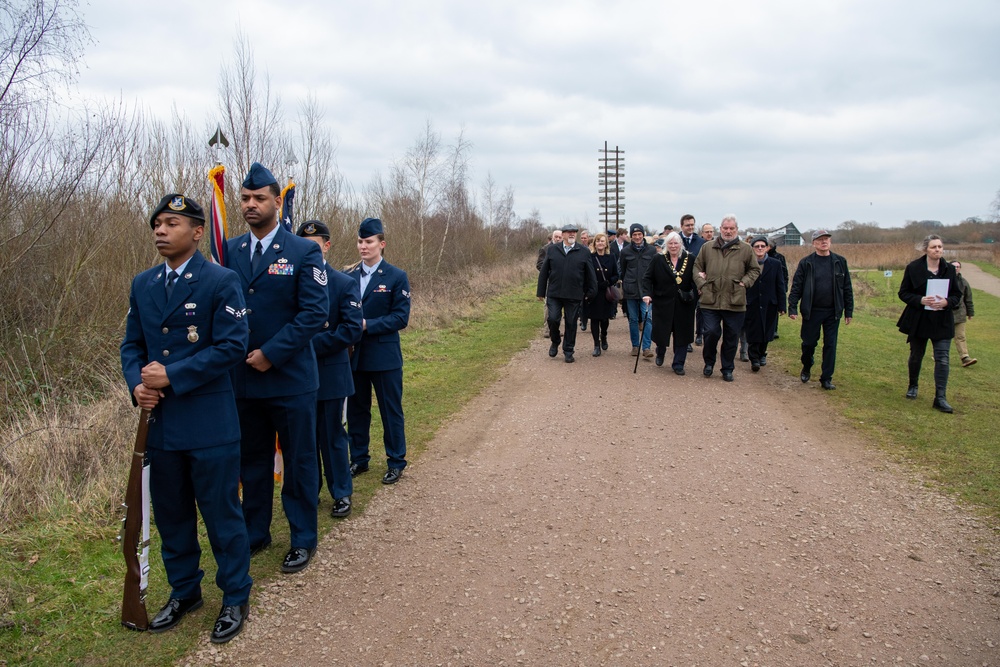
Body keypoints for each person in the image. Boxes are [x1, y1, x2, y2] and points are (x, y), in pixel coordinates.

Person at [121, 194, 252, 643]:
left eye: (171, 223)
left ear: (197, 232)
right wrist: (136, 385)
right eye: (156, 223)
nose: (160, 230)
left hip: (210, 423)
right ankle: (185, 592)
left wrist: (172, 375)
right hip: (162, 426)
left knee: (221, 513)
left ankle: (235, 595)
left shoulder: (221, 280)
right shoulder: (142, 283)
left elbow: (233, 346)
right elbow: (132, 346)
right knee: (172, 515)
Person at [228, 163, 329, 574]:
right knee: (251, 461)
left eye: (260, 198)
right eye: (246, 198)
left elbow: (314, 313)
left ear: (277, 201)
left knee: (299, 460)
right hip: (243, 381)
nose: (251, 205)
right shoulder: (230, 250)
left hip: (289, 380)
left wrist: (271, 352)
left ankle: (303, 537)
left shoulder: (303, 250)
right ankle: (256, 533)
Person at [297, 221, 364, 518]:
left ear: (326, 246)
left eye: (316, 243)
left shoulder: (342, 283)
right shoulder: (292, 283)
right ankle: (309, 492)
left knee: (332, 435)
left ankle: (341, 492)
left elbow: (351, 330)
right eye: (304, 244)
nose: (310, 248)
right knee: (304, 440)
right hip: (296, 376)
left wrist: (306, 345)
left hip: (329, 372)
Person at [346, 217, 412, 483]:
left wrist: (366, 325)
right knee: (356, 410)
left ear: (381, 244)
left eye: (369, 242)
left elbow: (400, 318)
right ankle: (359, 459)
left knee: (390, 410)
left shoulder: (396, 276)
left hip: (384, 357)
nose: (364, 246)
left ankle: (396, 461)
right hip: (354, 356)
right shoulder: (348, 275)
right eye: (360, 241)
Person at [896, 235, 962, 413]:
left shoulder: (948, 269)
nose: (938, 250)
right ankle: (913, 385)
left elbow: (957, 294)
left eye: (940, 247)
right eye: (934, 247)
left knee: (943, 358)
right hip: (919, 319)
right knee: (917, 355)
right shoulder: (913, 268)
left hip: (942, 320)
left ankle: (940, 397)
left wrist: (947, 302)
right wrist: (920, 300)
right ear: (926, 249)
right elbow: (903, 293)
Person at [693, 215, 760, 382]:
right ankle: (709, 363)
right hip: (710, 299)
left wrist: (745, 282)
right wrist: (702, 284)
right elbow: (696, 267)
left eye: (731, 229)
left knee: (731, 337)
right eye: (725, 228)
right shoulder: (707, 247)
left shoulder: (745, 249)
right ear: (720, 229)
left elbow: (754, 270)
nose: (728, 231)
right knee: (711, 332)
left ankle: (727, 368)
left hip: (734, 300)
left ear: (736, 230)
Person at [787, 229, 853, 390]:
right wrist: (792, 307)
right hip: (812, 311)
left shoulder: (839, 262)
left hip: (833, 311)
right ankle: (807, 366)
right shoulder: (806, 263)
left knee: (830, 345)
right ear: (814, 243)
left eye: (826, 239)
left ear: (830, 242)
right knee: (809, 343)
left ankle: (826, 378)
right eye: (820, 239)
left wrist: (848, 311)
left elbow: (847, 288)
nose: (824, 242)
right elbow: (797, 286)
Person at [537, 223, 597, 363]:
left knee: (571, 323)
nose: (571, 234)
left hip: (574, 294)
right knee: (552, 319)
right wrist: (541, 291)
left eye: (574, 232)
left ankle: (568, 350)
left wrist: (591, 291)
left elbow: (590, 273)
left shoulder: (583, 251)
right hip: (554, 293)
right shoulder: (552, 250)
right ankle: (555, 340)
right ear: (563, 234)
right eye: (568, 232)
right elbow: (544, 271)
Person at [641, 232, 697, 374]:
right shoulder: (658, 259)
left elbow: (695, 278)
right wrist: (647, 294)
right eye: (670, 243)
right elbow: (647, 278)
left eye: (676, 243)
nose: (673, 246)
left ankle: (678, 363)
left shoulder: (690, 259)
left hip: (684, 303)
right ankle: (660, 352)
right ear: (666, 245)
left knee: (682, 334)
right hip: (663, 301)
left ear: (680, 244)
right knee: (661, 332)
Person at [744, 236, 786, 372]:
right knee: (753, 331)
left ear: (768, 248)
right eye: (757, 246)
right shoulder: (747, 264)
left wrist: (782, 306)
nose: (760, 248)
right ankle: (754, 358)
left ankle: (763, 353)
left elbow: (780, 284)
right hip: (752, 302)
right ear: (752, 248)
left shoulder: (775, 264)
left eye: (763, 246)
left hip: (770, 303)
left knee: (767, 331)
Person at [619, 223, 657, 358]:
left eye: (639, 234)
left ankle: (646, 347)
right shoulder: (625, 251)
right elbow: (622, 270)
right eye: (634, 235)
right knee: (633, 319)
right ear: (631, 236)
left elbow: (655, 271)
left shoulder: (651, 251)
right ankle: (635, 346)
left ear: (643, 234)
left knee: (648, 318)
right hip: (631, 290)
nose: (637, 237)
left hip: (646, 291)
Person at [588, 233, 619, 356]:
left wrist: (609, 282)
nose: (600, 243)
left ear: (606, 243)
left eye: (602, 241)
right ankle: (596, 344)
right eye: (598, 241)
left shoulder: (611, 257)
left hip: (606, 292)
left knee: (605, 319)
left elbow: (616, 274)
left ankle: (604, 335)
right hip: (594, 292)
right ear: (594, 243)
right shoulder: (590, 257)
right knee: (594, 319)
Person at [951, 261, 977, 367]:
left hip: (960, 313)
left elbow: (968, 298)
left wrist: (970, 312)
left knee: (960, 336)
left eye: (958, 267)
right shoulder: (943, 280)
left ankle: (965, 357)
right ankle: (938, 355)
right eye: (954, 267)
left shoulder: (964, 282)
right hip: (945, 313)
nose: (956, 268)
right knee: (943, 336)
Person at [537, 230, 562, 337]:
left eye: (560, 237)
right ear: (552, 237)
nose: (558, 239)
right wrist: (550, 271)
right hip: (549, 281)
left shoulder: (565, 249)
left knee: (560, 305)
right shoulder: (545, 249)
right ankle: (547, 330)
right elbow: (539, 264)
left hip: (563, 281)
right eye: (556, 237)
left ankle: (556, 329)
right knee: (548, 305)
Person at [767, 239, 789, 339]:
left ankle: (774, 330)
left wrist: (784, 288)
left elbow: (784, 274)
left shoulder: (779, 257)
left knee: (774, 311)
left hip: (776, 288)